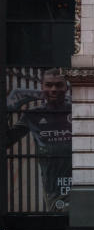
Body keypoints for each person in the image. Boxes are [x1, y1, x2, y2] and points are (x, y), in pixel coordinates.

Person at [6, 69, 72, 212]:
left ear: (66, 87)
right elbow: (6, 141)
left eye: (59, 85)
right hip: (53, 188)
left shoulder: (77, 110)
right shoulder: (33, 115)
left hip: (82, 181)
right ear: (42, 87)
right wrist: (6, 111)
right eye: (49, 85)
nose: (54, 89)